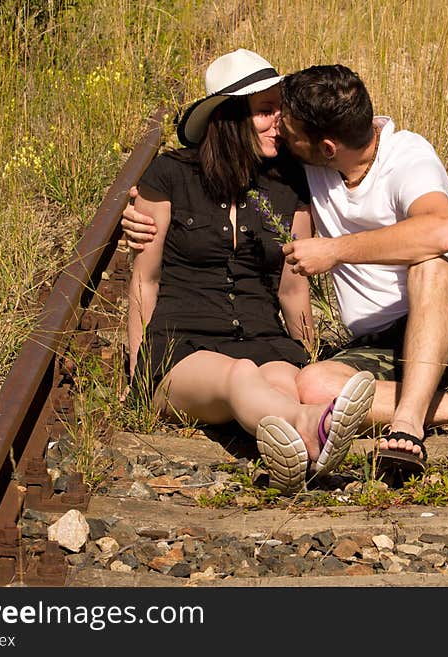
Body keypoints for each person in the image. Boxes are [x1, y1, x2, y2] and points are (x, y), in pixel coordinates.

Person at [122, 61, 448, 482]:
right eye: (266, 112)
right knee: (307, 383)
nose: (279, 125)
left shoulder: (391, 158)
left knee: (425, 267)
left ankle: (404, 427)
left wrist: (335, 252)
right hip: (365, 343)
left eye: (283, 116)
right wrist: (139, 212)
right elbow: (150, 271)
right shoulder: (286, 168)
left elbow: (440, 232)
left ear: (326, 148)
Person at [125, 48, 375, 495]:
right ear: (228, 116)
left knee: (283, 380)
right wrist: (137, 368)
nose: (278, 121)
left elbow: (294, 291)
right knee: (239, 373)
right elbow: (145, 280)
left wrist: (307, 356)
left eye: (280, 108)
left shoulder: (290, 182)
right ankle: (312, 427)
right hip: (183, 347)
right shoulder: (170, 174)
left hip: (265, 337)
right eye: (265, 111)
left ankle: (298, 452)